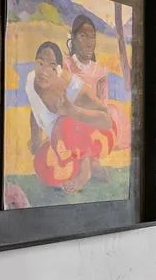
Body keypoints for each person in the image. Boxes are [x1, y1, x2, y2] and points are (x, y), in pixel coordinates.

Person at [26, 41, 116, 194]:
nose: (44, 71)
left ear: (59, 70)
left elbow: (107, 120)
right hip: (59, 141)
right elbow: (35, 110)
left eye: (52, 67)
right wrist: (35, 138)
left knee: (65, 121)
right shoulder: (31, 80)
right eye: (40, 63)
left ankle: (85, 170)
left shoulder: (73, 88)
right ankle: (92, 166)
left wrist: (71, 110)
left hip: (92, 134)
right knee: (43, 167)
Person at [63, 13, 129, 150]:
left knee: (114, 113)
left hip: (95, 118)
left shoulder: (99, 72)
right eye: (83, 36)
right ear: (73, 38)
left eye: (92, 37)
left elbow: (103, 103)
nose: (89, 42)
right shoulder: (66, 66)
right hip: (72, 117)